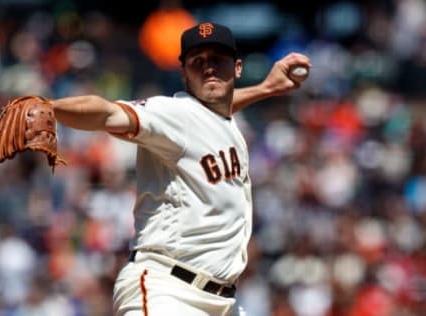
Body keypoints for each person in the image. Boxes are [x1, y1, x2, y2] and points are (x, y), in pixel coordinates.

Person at [52, 22, 310, 316]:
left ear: (237, 68)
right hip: (170, 292)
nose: (209, 68)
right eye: (197, 62)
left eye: (218, 60)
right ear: (183, 74)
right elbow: (108, 113)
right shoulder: (172, 114)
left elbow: (218, 107)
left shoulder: (218, 119)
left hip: (222, 303)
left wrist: (266, 88)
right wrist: (49, 108)